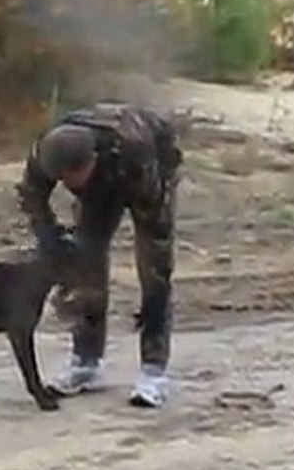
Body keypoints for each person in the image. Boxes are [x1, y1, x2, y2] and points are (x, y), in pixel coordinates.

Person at [15, 102, 182, 408]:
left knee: (154, 270)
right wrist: (49, 235)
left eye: (74, 175)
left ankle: (153, 371)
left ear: (93, 159)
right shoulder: (45, 153)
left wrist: (153, 293)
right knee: (84, 262)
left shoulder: (134, 154)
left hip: (152, 159)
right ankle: (85, 361)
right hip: (105, 177)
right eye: (62, 178)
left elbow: (154, 219)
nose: (69, 183)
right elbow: (32, 195)